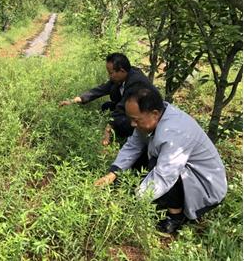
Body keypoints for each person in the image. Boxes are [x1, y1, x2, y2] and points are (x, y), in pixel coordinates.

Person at [94, 86, 227, 234]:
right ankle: (157, 199)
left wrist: (129, 204)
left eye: (135, 120)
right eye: (131, 119)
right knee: (147, 159)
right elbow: (133, 145)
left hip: (205, 185)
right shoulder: (154, 117)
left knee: (157, 166)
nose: (132, 124)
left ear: (155, 114)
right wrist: (113, 173)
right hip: (180, 169)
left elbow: (164, 176)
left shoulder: (174, 132)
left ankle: (175, 216)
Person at [60, 53, 155, 146]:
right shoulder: (122, 77)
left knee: (121, 122)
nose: (109, 76)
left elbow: (121, 107)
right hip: (128, 109)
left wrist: (108, 128)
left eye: (111, 73)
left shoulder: (136, 82)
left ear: (121, 71)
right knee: (106, 106)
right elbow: (101, 90)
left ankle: (124, 137)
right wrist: (75, 100)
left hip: (142, 116)